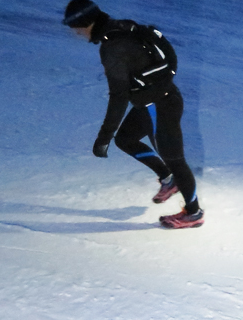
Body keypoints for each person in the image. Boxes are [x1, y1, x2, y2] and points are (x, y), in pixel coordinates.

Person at [63, 0, 203, 229]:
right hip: (157, 99)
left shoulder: (112, 48)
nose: (74, 33)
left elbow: (119, 97)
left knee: (175, 160)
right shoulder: (120, 26)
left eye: (75, 27)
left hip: (158, 106)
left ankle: (193, 213)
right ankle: (168, 179)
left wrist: (103, 137)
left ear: (85, 23)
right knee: (126, 139)